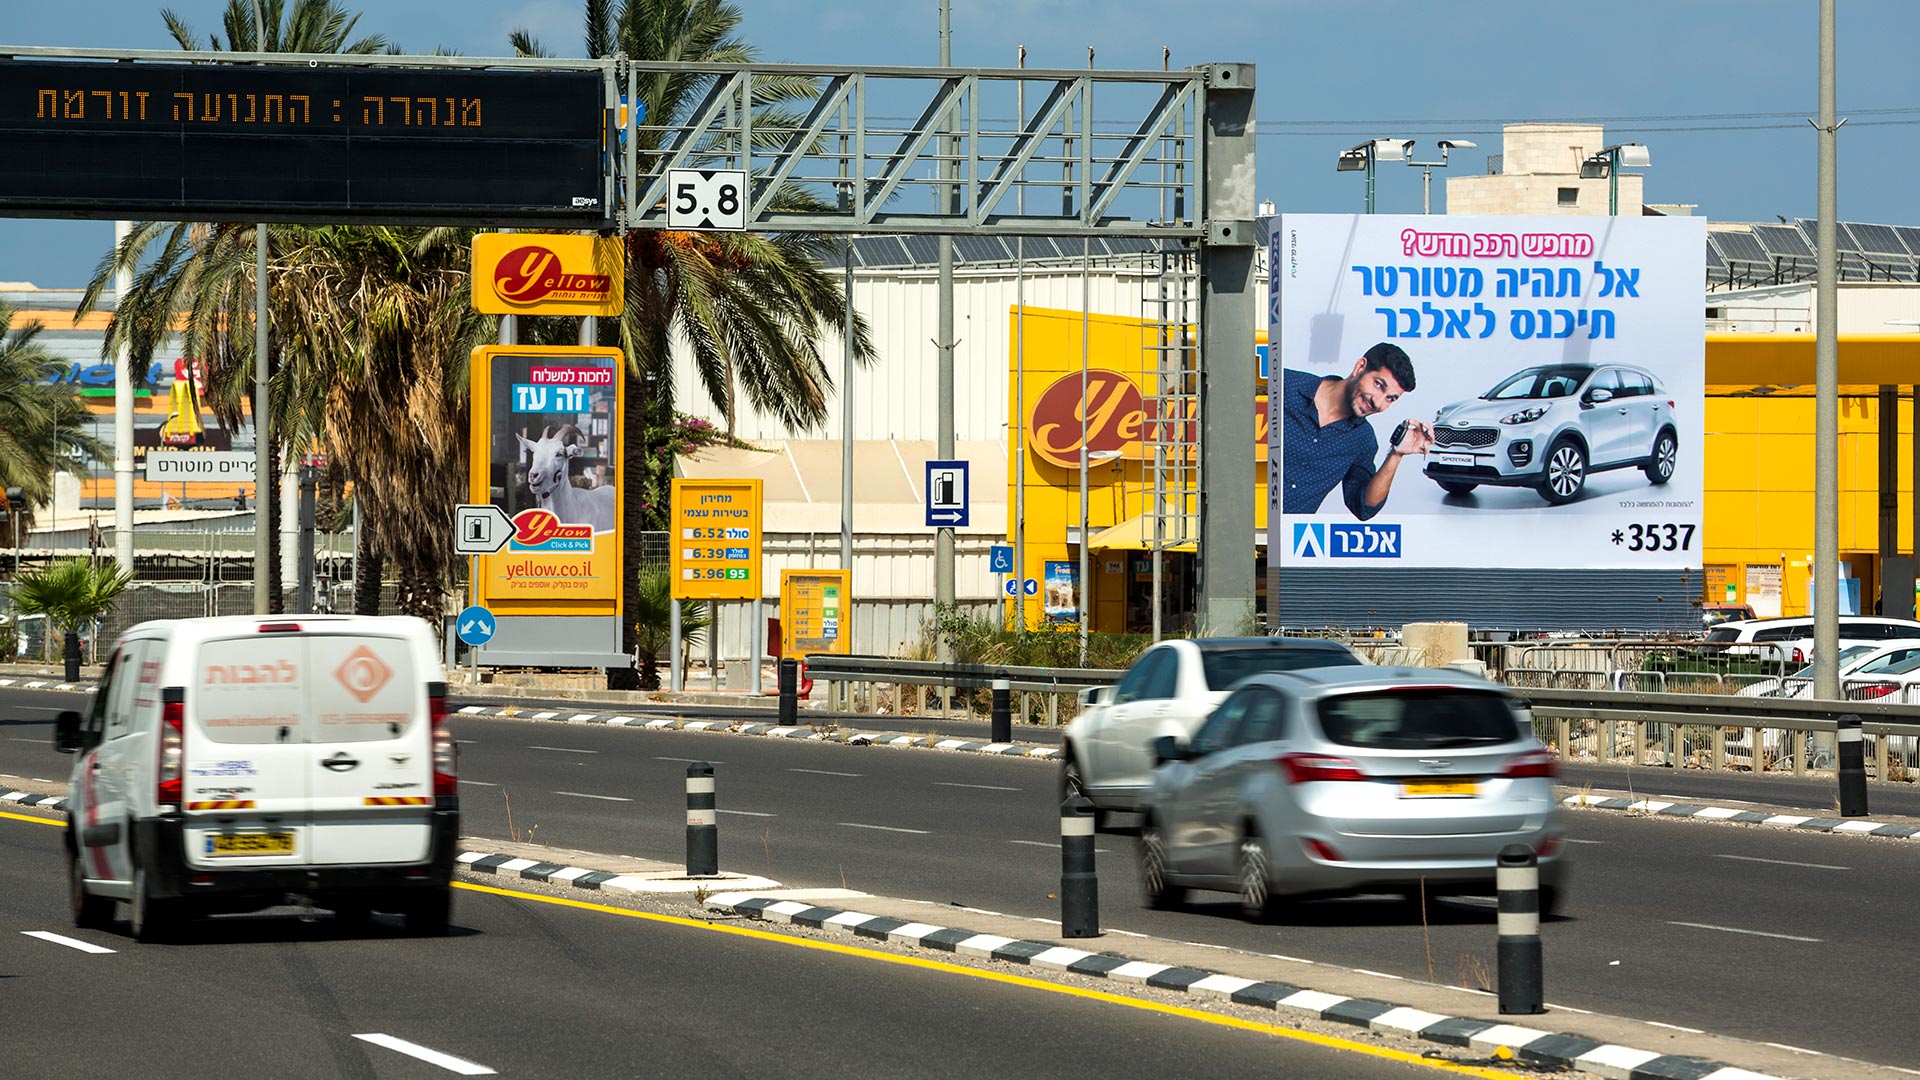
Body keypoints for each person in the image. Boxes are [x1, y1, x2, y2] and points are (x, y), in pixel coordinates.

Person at [1279, 342, 1432, 520]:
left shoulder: (1362, 440)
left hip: (1284, 539)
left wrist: (1396, 454)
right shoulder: (1284, 385)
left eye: (1390, 398)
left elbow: (1363, 507)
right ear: (1360, 367)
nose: (1378, 402)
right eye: (1379, 385)